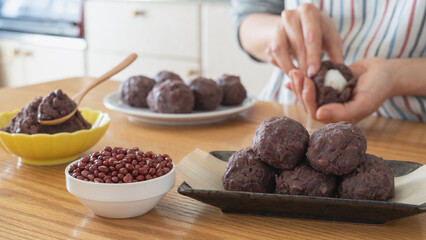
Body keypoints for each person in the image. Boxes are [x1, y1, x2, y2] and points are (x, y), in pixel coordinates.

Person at [231, 0, 426, 123]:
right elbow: (248, 18)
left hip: (407, 128)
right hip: (285, 113)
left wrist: (395, 76)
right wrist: (285, 33)